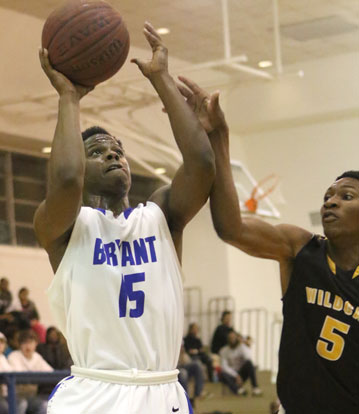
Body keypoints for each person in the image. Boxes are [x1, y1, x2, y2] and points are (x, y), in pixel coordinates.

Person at [33, 22, 215, 414]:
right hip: (95, 393)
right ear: (81, 165)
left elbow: (201, 164)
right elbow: (65, 178)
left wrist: (161, 78)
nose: (114, 155)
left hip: (162, 390)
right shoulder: (63, 226)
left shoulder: (160, 216)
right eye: (98, 152)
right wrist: (69, 98)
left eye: (118, 150)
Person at [174, 78, 359, 413]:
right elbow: (231, 228)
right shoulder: (300, 248)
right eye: (328, 196)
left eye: (346, 197)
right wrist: (219, 136)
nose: (330, 202)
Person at [8, 330, 53, 414]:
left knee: (45, 406)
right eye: (24, 343)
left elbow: (50, 373)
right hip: (14, 396)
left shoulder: (37, 357)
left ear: (36, 343)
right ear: (19, 344)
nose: (28, 346)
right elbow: (19, 376)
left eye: (31, 342)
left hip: (31, 397)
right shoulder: (14, 356)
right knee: (22, 404)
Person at [219, 331, 262, 396]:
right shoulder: (224, 350)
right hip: (231, 375)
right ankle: (238, 390)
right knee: (222, 374)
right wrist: (236, 376)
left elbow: (248, 359)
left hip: (242, 374)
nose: (232, 340)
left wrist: (244, 345)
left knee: (249, 364)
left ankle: (255, 388)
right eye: (230, 338)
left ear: (237, 338)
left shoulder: (242, 348)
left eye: (233, 338)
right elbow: (224, 367)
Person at [0, 332, 28, 414]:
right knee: (4, 407)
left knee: (22, 403)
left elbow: (13, 374)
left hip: (8, 394)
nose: (0, 345)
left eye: (2, 342)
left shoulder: (3, 358)